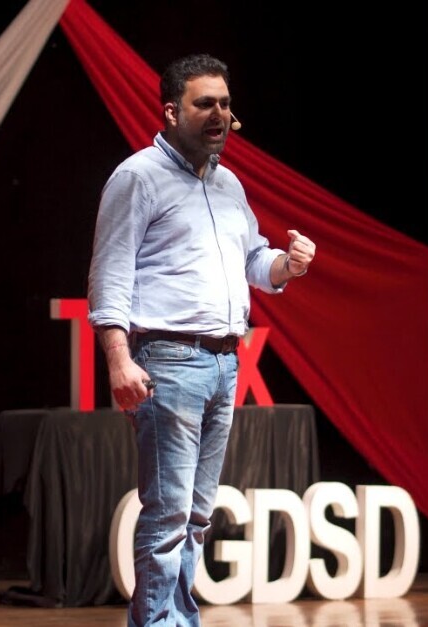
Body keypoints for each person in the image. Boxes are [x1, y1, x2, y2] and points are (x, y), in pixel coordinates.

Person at [87, 53, 316, 626]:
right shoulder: (137, 177)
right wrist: (118, 360)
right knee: (168, 516)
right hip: (167, 360)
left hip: (223, 362)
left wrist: (286, 265)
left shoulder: (228, 182)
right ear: (171, 112)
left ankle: (178, 620)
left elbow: (253, 260)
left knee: (195, 515)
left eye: (225, 104)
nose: (219, 114)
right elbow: (109, 274)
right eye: (204, 103)